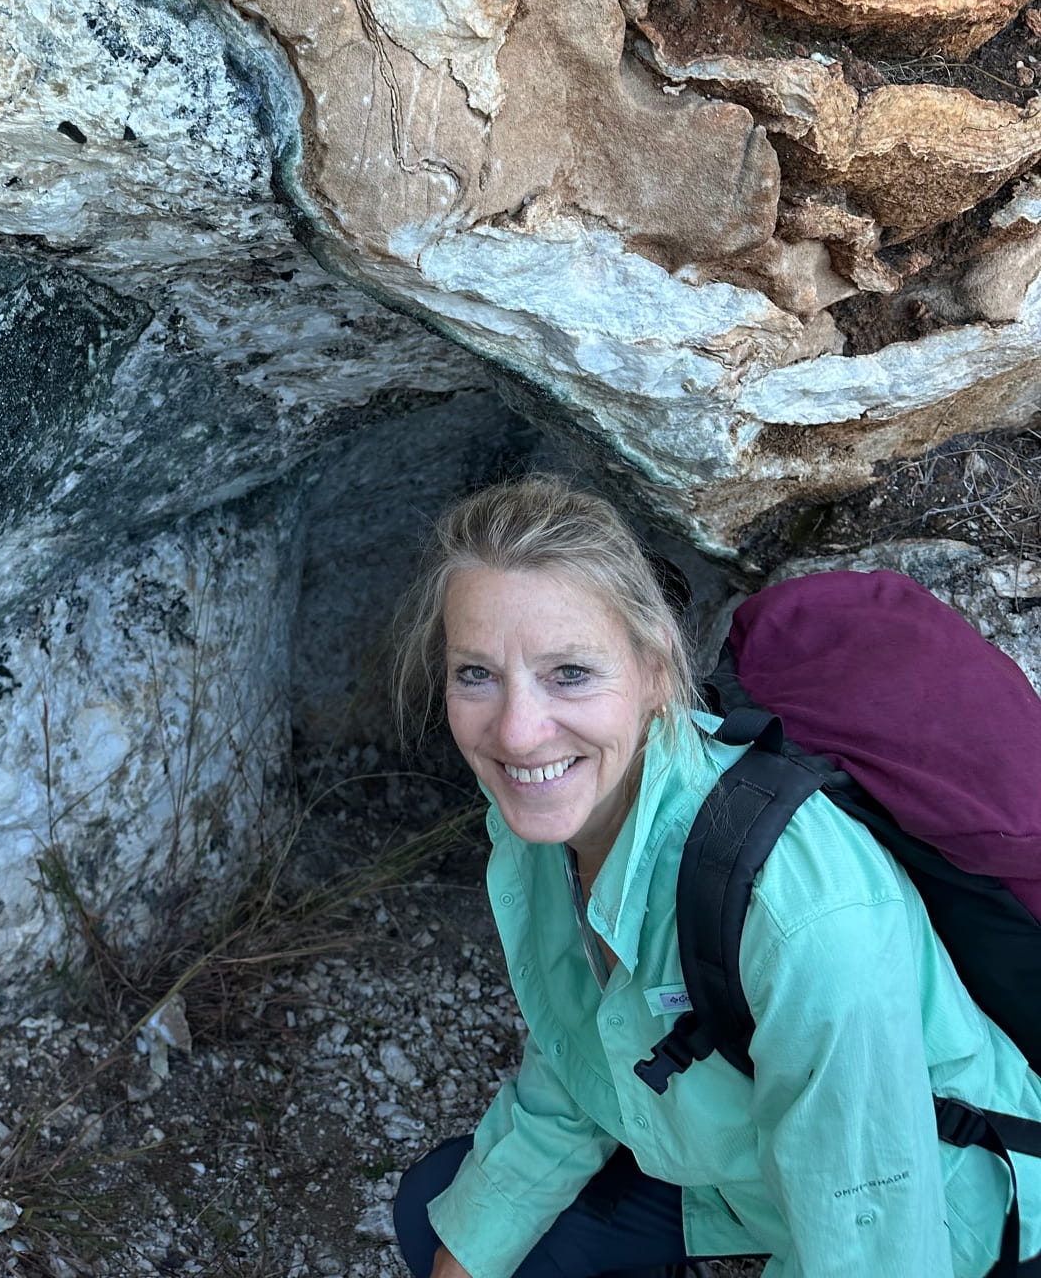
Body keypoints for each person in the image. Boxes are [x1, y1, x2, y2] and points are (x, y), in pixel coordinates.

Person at [390, 475, 1041, 1278]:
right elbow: (582, 1060)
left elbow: (874, 1237)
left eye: (569, 674)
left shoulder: (801, 910)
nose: (520, 733)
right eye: (476, 674)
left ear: (655, 669)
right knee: (442, 1219)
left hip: (944, 1216)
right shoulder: (547, 822)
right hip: (752, 1173)